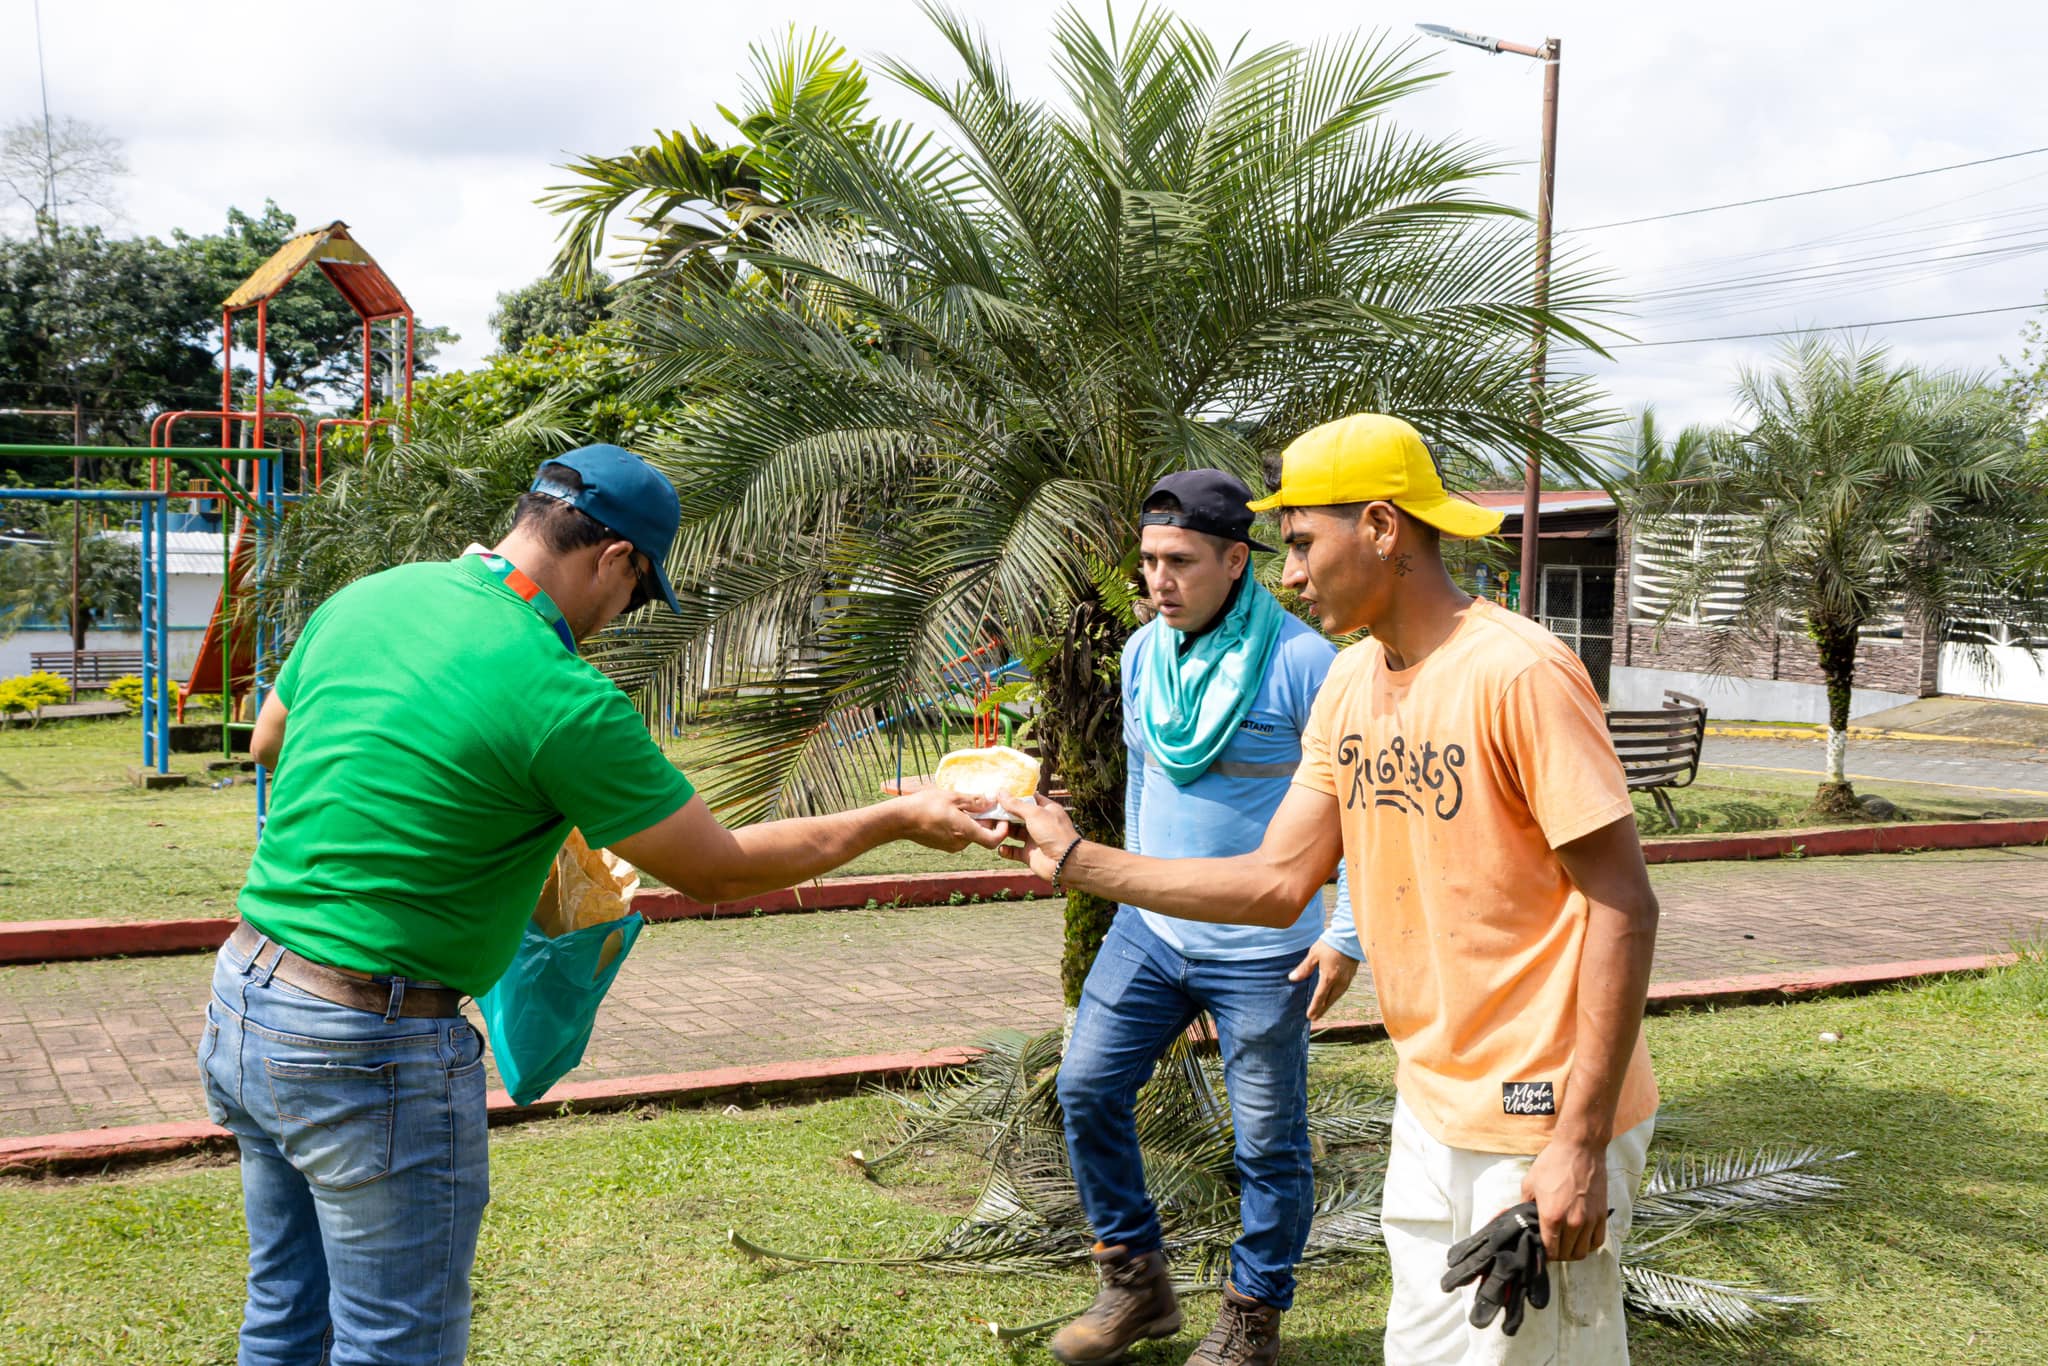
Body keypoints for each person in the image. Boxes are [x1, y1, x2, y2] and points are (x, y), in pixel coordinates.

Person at [200, 443, 1002, 1366]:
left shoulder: (373, 596)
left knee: (286, 1316)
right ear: (616, 558)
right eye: (636, 594)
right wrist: (896, 817)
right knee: (394, 1344)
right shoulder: (561, 695)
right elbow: (716, 868)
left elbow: (270, 741)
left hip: (247, 993)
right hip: (370, 1045)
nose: (622, 617)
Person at [1001, 415, 1660, 1365]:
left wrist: (1580, 1141)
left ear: (1382, 528)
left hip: (1539, 1109)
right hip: (1431, 1098)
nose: (1291, 573)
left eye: (1305, 542)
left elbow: (1625, 903)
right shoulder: (1352, 682)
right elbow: (1279, 881)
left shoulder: (1519, 673)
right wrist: (1077, 861)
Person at [1048, 471, 1361, 1366]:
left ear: (1235, 561)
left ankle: (1251, 1317)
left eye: (1180, 561)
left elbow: (1360, 814)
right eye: (1149, 561)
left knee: (1267, 1145)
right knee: (1086, 1087)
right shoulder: (1142, 653)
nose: (1159, 581)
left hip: (1267, 949)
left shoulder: (1305, 663)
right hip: (1152, 933)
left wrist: (1344, 933)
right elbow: (1144, 779)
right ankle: (1135, 1280)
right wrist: (1134, 892)